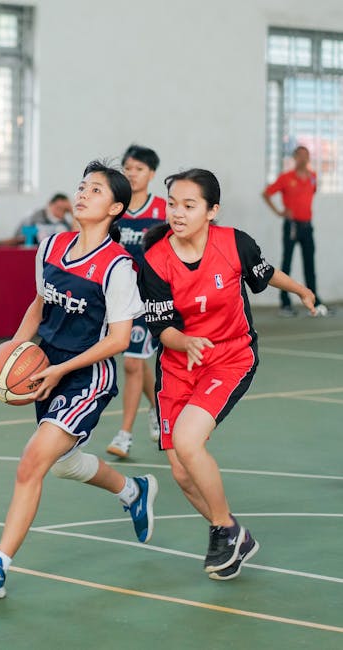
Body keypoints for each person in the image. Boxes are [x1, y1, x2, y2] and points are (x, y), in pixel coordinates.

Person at [0, 161, 158, 599]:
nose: (84, 194)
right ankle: (133, 490)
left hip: (87, 373)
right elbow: (40, 304)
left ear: (115, 208)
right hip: (45, 367)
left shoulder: (118, 266)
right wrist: (15, 350)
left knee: (33, 461)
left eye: (96, 190)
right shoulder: (50, 246)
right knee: (66, 460)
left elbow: (120, 340)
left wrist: (61, 370)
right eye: (82, 186)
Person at [138, 168, 316, 581]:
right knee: (182, 471)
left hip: (230, 357)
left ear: (212, 210)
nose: (177, 213)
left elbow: (264, 273)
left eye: (189, 205)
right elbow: (162, 328)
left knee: (187, 440)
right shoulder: (155, 260)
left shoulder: (233, 244)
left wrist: (300, 289)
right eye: (173, 204)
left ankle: (223, 531)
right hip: (179, 365)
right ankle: (233, 532)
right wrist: (185, 343)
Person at [106, 145, 166, 459]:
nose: (131, 173)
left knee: (131, 362)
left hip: (147, 297)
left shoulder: (162, 210)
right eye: (128, 167)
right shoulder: (114, 208)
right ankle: (156, 407)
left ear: (151, 174)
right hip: (116, 295)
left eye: (138, 169)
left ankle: (124, 435)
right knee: (136, 361)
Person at [262, 145, 329, 317]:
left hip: (307, 226)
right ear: (294, 158)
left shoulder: (313, 177)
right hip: (291, 226)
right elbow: (266, 194)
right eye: (300, 155)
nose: (303, 158)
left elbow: (310, 194)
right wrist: (279, 212)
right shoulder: (286, 178)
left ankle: (315, 301)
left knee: (309, 264)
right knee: (287, 263)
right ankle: (285, 303)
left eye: (306, 155)